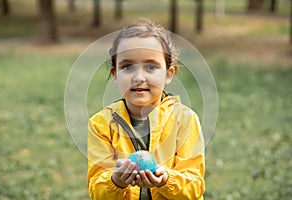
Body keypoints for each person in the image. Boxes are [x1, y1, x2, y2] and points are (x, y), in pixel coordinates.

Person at [87, 19, 205, 200]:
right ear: (115, 75)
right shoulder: (101, 124)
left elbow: (195, 186)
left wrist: (166, 180)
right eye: (127, 67)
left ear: (168, 74)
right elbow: (97, 191)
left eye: (151, 66)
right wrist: (115, 181)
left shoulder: (185, 120)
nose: (139, 77)